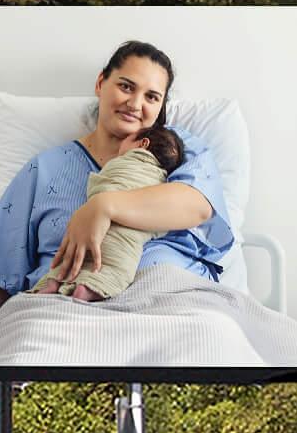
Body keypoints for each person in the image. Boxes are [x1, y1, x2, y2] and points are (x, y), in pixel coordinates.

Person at [0, 41, 231, 365]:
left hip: (168, 300)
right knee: (30, 353)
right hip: (60, 309)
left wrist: (103, 206)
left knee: (206, 345)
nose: (136, 103)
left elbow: (196, 205)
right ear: (101, 83)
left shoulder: (174, 151)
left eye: (152, 96)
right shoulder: (46, 169)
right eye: (126, 86)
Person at [30, 124, 188, 301]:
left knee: (69, 263)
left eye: (127, 139)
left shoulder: (117, 165)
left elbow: (101, 184)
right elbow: (162, 219)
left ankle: (53, 283)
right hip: (122, 242)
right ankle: (85, 290)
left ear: (142, 143)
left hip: (87, 232)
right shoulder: (162, 184)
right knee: (113, 270)